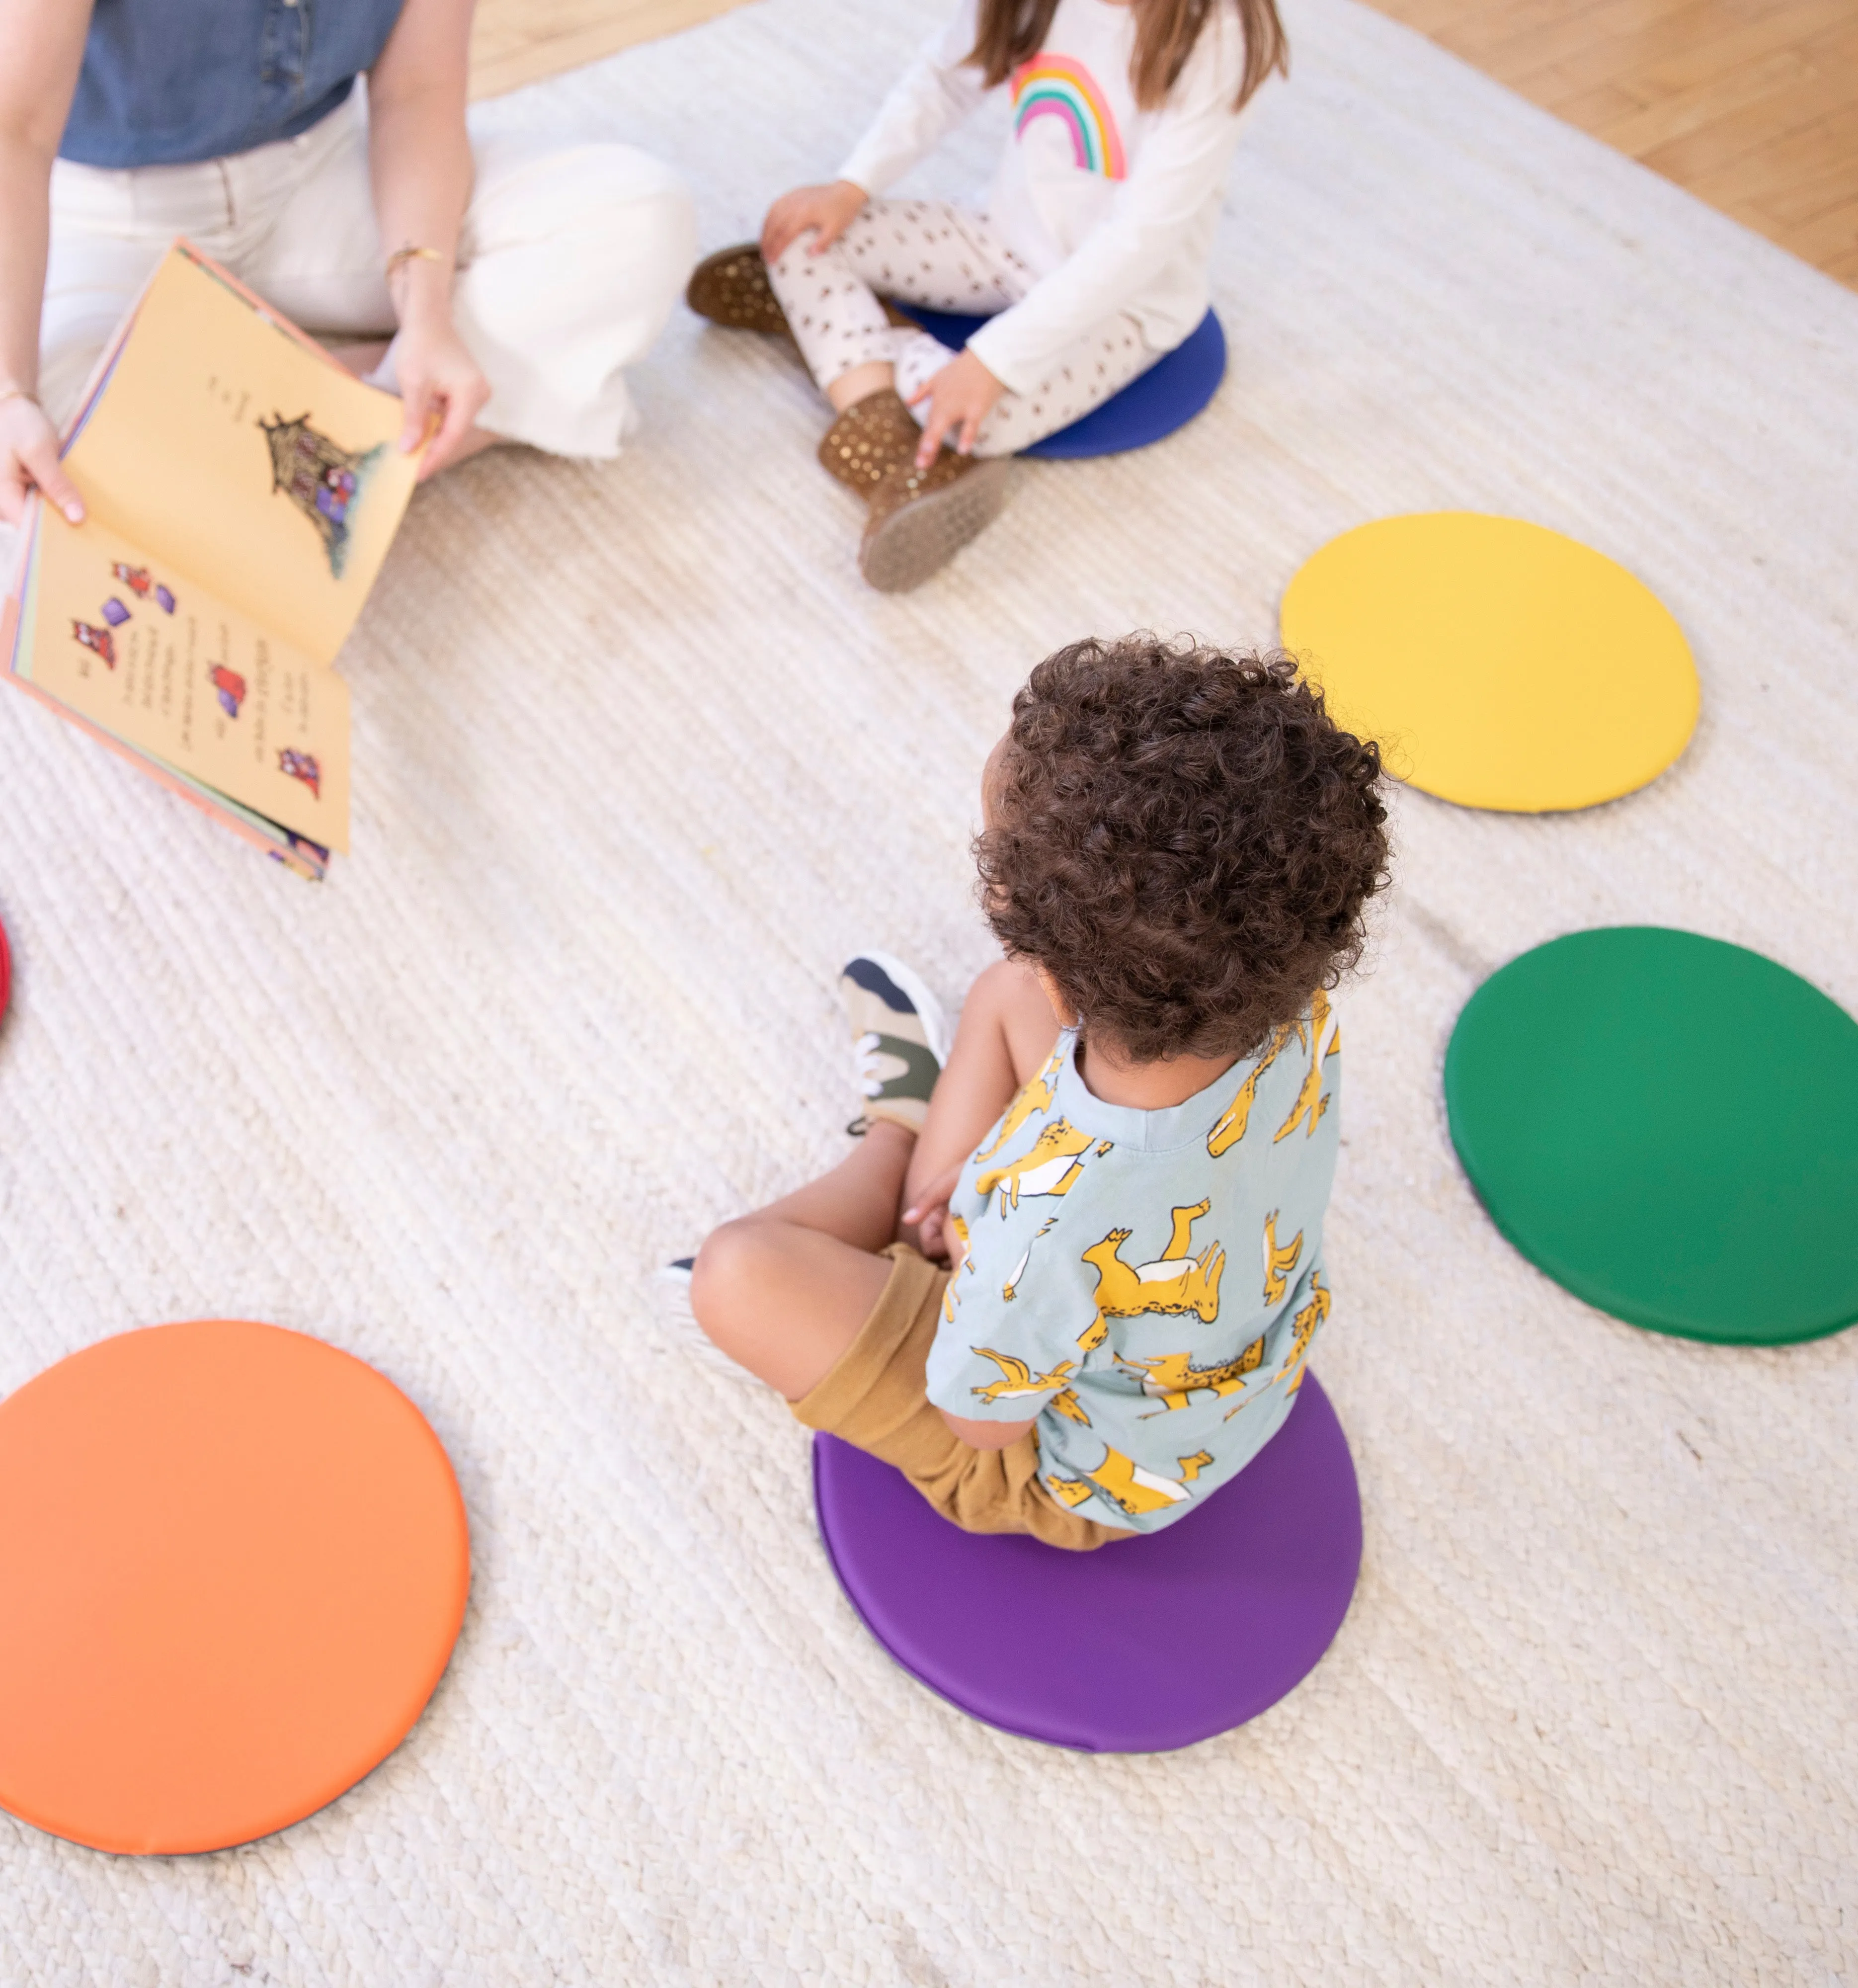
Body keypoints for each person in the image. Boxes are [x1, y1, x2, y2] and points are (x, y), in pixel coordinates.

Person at [689, 636, 1389, 1547]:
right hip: (1205, 1343)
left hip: (1065, 1473)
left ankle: (895, 1133)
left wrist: (985, 1257)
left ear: (1066, 983)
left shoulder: (1043, 1230)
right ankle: (919, 1175)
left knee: (734, 1276)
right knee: (998, 995)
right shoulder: (1294, 1001)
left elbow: (984, 1423)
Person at [0, 0, 698, 529]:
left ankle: (308, 436)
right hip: (106, 214)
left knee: (638, 217)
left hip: (325, 171)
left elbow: (417, 93)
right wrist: (9, 393)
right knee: (47, 443)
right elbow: (17, 132)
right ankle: (372, 430)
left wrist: (425, 318)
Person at [683, 0, 1289, 592]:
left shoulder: (1218, 36)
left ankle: (845, 334)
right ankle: (894, 446)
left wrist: (994, 362)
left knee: (982, 424)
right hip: (1002, 243)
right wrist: (853, 184)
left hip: (1126, 306)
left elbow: (1138, 242)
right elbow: (945, 80)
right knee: (803, 241)